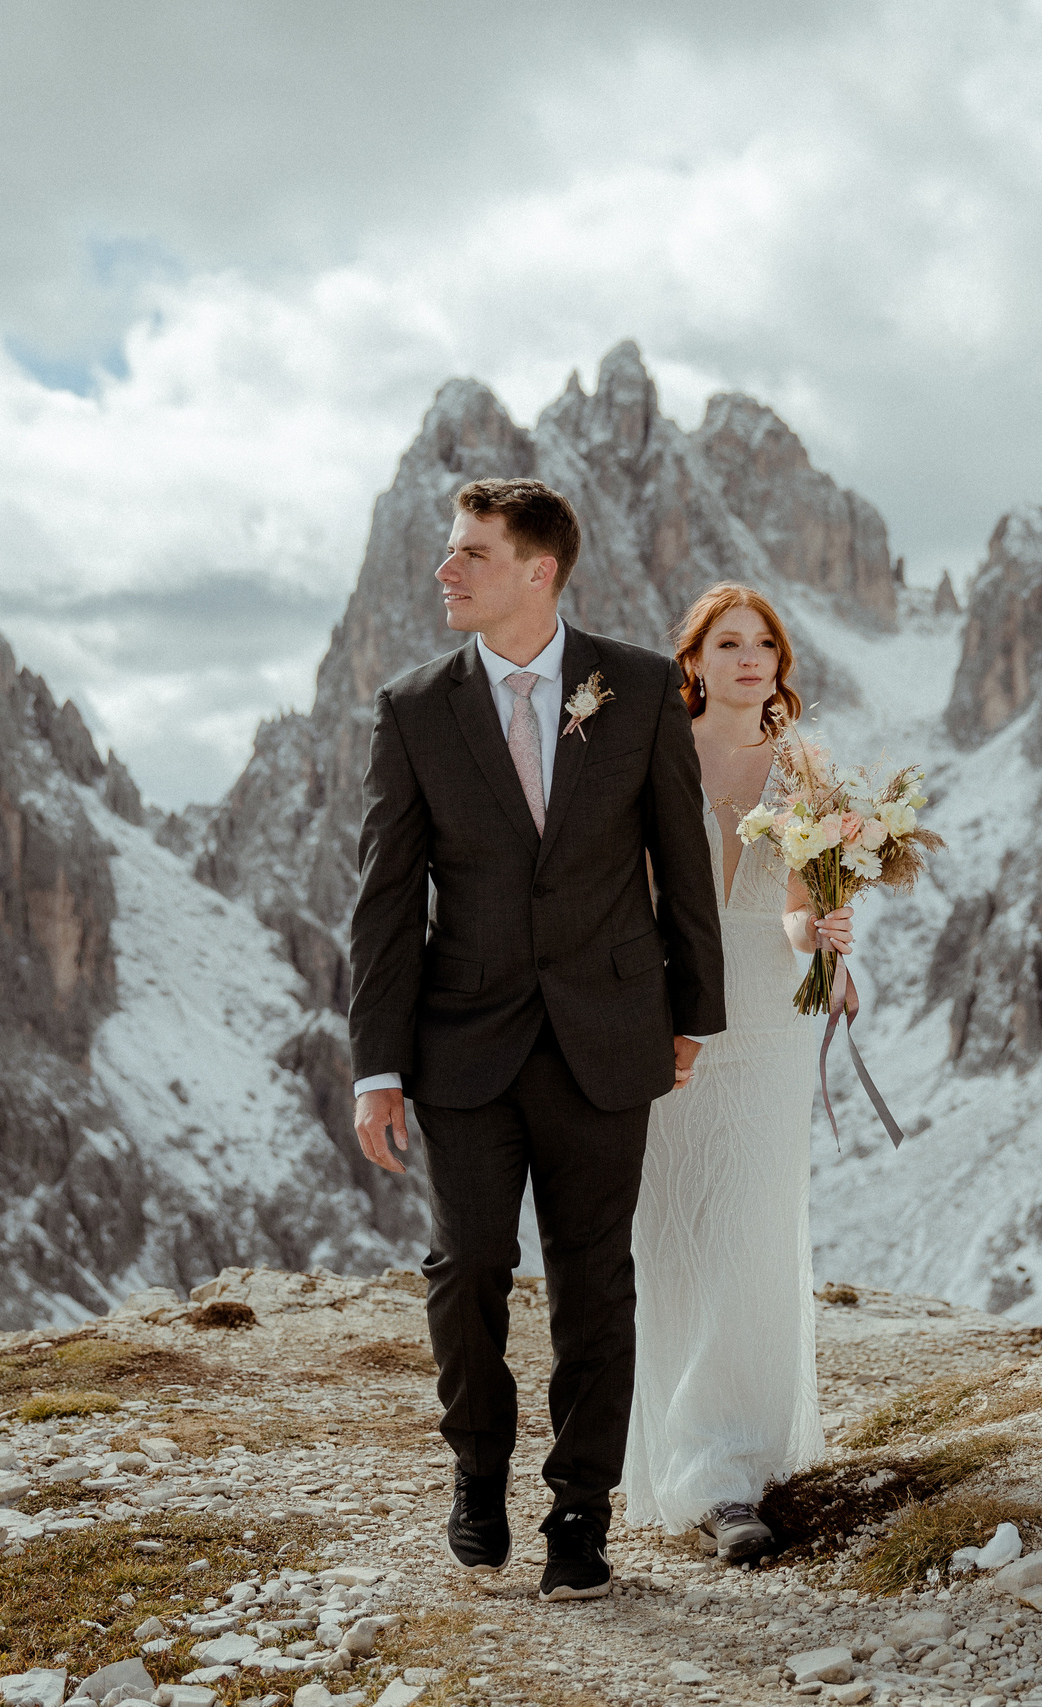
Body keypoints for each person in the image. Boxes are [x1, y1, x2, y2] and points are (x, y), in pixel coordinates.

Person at [346, 478, 727, 1601]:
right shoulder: (413, 708)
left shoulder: (643, 687)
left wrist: (691, 1012)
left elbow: (680, 859)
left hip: (610, 1035)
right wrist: (377, 1066)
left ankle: (580, 1510)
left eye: (469, 553)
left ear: (537, 572)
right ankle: (477, 1472)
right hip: (460, 1044)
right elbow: (384, 898)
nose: (444, 571)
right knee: (467, 1265)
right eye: (448, 552)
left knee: (594, 1286)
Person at [619, 582, 852, 1563]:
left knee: (753, 1226)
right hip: (668, 1015)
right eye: (728, 641)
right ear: (694, 660)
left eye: (764, 642)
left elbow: (799, 908)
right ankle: (677, 1452)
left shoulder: (803, 767)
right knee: (670, 1229)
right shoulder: (648, 753)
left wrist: (827, 934)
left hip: (766, 1015)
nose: (750, 656)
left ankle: (731, 1473)